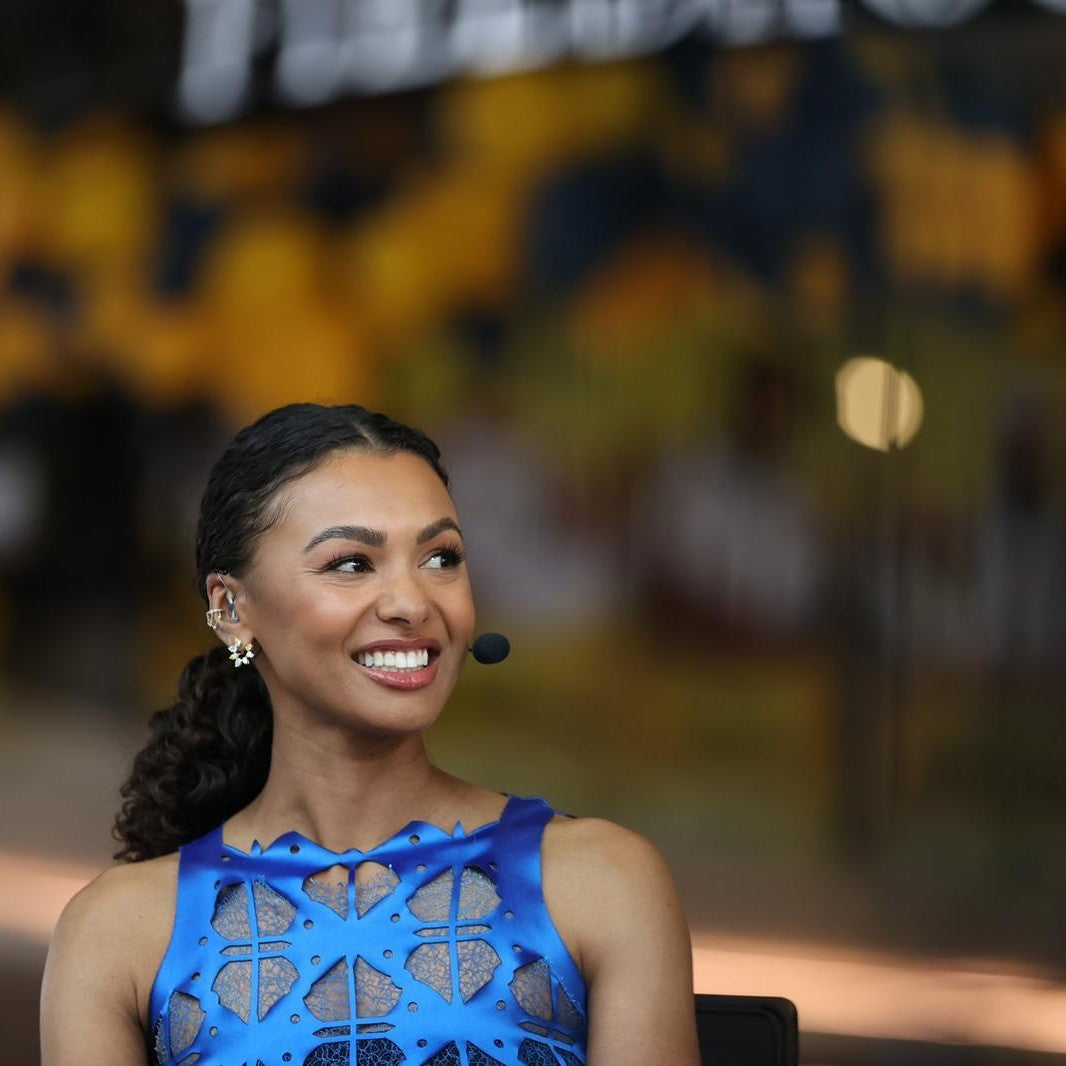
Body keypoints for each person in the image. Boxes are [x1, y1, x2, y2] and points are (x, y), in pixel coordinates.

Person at [40, 403, 700, 1066]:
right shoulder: (118, 931)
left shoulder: (599, 881)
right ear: (233, 610)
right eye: (353, 564)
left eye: (441, 557)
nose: (413, 604)